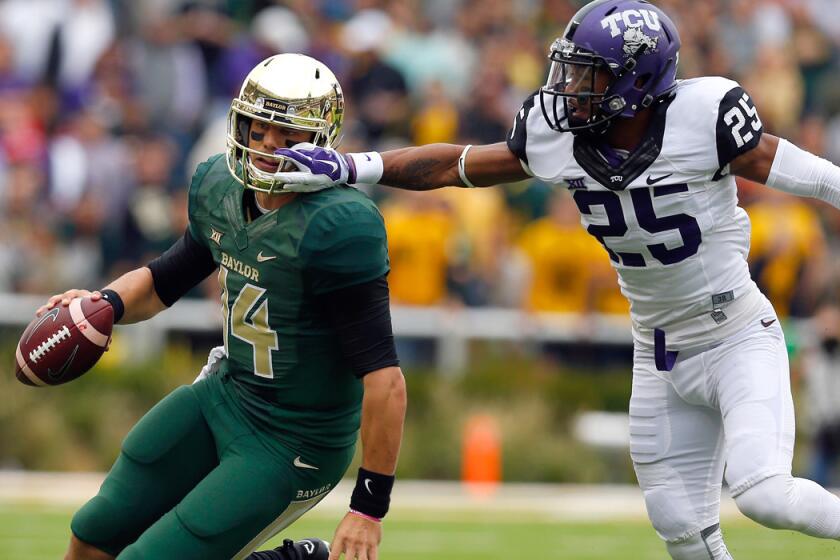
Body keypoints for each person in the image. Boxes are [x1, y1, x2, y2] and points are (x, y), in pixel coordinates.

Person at [273, 1, 840, 558]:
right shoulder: (557, 133)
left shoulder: (704, 115)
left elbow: (811, 176)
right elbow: (458, 164)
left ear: (636, 80)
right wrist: (355, 166)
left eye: (587, 73)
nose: (566, 86)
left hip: (735, 333)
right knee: (680, 530)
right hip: (659, 350)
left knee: (765, 494)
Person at [39, 53, 407, 560]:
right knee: (94, 532)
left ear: (323, 140)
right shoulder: (219, 184)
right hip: (225, 394)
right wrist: (103, 303)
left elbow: (384, 379)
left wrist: (368, 508)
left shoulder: (338, 225)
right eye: (261, 127)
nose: (270, 144)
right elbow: (167, 277)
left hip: (291, 440)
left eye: (289, 134)